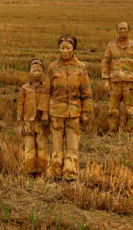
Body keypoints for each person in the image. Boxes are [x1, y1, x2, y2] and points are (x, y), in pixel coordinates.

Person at [42, 34, 93, 182]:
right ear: (58, 48)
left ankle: (70, 175)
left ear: (73, 49)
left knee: (72, 146)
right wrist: (44, 113)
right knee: (57, 145)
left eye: (68, 48)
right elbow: (46, 91)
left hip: (74, 112)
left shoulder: (81, 67)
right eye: (62, 47)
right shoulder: (52, 67)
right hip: (56, 112)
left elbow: (86, 91)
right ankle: (57, 174)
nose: (65, 51)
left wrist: (85, 112)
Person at [17, 59, 49, 179]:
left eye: (39, 70)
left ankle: (41, 170)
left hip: (41, 123)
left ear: (43, 72)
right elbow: (20, 106)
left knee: (42, 146)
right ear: (29, 72)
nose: (36, 72)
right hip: (28, 122)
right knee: (29, 146)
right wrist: (20, 123)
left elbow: (48, 104)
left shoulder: (46, 88)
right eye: (34, 70)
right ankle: (30, 170)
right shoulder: (24, 88)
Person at [102, 21, 133, 132]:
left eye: (125, 28)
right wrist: (106, 80)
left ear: (129, 30)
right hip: (114, 82)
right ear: (117, 31)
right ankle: (112, 131)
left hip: (129, 83)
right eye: (120, 29)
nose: (123, 30)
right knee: (112, 110)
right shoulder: (111, 45)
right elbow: (106, 62)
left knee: (130, 109)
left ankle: (130, 132)